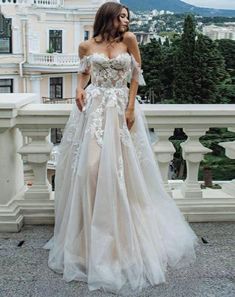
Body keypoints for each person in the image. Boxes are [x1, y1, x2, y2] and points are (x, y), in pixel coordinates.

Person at [44, 1, 199, 294]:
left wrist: (130, 108)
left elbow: (135, 76)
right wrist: (79, 89)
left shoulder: (129, 40)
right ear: (108, 18)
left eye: (128, 16)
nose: (127, 20)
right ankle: (90, 241)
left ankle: (122, 240)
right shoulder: (86, 45)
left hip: (121, 112)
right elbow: (83, 74)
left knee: (124, 174)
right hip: (94, 113)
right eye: (122, 16)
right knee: (89, 170)